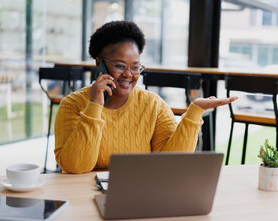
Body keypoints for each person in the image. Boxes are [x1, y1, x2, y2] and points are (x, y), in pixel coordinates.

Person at [54, 20, 237, 174]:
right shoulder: (72, 105)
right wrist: (94, 106)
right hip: (85, 195)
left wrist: (194, 111)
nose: (128, 74)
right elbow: (76, 167)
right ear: (99, 64)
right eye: (119, 66)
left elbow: (170, 164)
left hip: (138, 192)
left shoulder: (152, 104)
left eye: (135, 67)